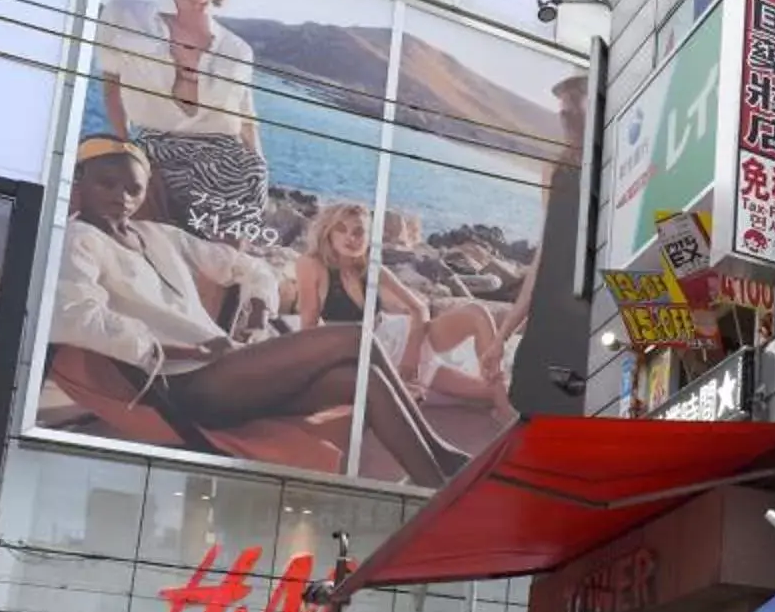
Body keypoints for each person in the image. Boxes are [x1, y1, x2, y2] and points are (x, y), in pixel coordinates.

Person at [51, 138, 469, 483]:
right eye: (107, 184)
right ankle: (443, 459)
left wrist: (254, 314)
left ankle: (432, 478)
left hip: (224, 369)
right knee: (357, 339)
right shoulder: (80, 240)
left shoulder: (157, 235)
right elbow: (74, 316)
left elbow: (253, 270)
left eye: (133, 189)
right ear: (80, 182)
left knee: (362, 380)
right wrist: (174, 351)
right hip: (185, 385)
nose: (121, 198)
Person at [98, 0, 270, 248]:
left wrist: (260, 167)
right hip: (157, 147)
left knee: (221, 257)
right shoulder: (123, 14)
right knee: (152, 242)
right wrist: (125, 145)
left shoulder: (238, 49)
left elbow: (247, 118)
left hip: (229, 161)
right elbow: (111, 85)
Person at [290, 202, 510, 409]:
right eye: (341, 229)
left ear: (368, 237)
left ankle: (494, 383)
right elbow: (309, 326)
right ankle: (496, 396)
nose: (350, 237)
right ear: (329, 233)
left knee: (477, 313)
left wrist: (411, 354)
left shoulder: (373, 269)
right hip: (368, 357)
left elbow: (419, 308)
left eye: (358, 232)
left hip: (399, 338)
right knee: (490, 396)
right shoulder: (313, 265)